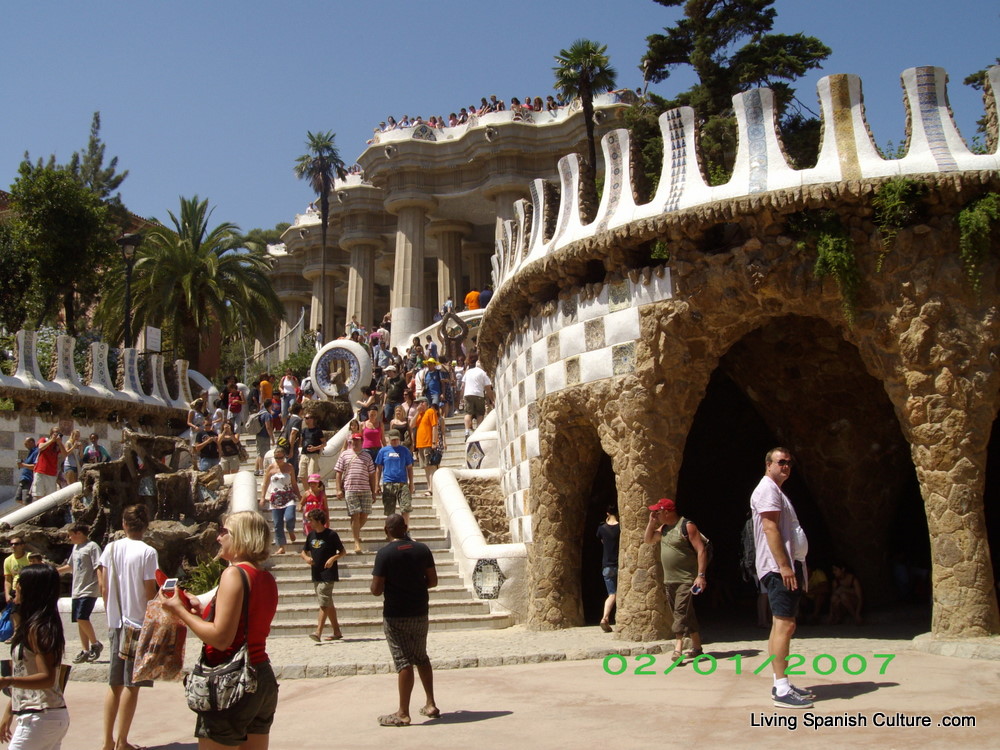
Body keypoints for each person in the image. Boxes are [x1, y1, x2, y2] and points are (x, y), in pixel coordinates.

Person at [163, 512, 279, 748]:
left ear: (241, 538)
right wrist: (198, 612)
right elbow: (245, 624)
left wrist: (180, 612)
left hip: (231, 680)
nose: (219, 537)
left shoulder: (233, 574)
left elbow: (221, 639)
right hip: (261, 675)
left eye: (224, 532)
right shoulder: (265, 577)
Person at [751, 447, 815, 709]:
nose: (786, 466)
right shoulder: (767, 489)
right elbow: (769, 527)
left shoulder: (776, 491)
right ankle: (781, 687)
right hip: (779, 568)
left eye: (789, 463)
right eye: (781, 462)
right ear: (768, 464)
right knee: (785, 625)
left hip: (784, 566)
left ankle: (782, 682)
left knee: (782, 624)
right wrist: (785, 566)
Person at [97, 504, 158, 750]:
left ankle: (107, 742)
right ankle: (123, 741)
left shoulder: (109, 549)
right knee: (132, 686)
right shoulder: (148, 552)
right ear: (145, 525)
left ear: (124, 524)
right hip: (138, 624)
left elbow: (103, 587)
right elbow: (149, 591)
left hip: (116, 621)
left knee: (114, 684)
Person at [370, 514, 440, 727]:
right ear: (406, 527)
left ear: (386, 530)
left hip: (395, 614)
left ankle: (403, 712)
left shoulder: (384, 554)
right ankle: (430, 703)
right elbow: (433, 581)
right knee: (421, 656)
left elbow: (376, 589)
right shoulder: (422, 549)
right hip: (419, 611)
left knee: (403, 662)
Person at [0, 564, 69, 749]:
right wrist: (9, 712)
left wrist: (7, 681)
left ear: (31, 588)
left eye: (20, 583)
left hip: (40, 718)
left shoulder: (39, 629)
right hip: (43, 717)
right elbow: (26, 673)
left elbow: (47, 678)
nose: (16, 589)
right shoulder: (35, 624)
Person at [644, 498, 707, 662]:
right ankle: (697, 646)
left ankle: (678, 647)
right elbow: (648, 539)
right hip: (669, 580)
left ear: (667, 512)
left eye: (658, 511)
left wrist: (700, 576)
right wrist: (651, 523)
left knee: (680, 612)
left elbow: (701, 550)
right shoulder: (664, 529)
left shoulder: (686, 526)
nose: (656, 514)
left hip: (686, 579)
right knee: (686, 612)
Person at [56, 523, 104, 664]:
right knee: (79, 620)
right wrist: (55, 571)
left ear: (79, 533)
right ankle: (85, 650)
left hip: (89, 588)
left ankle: (96, 644)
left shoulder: (92, 547)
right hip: (76, 589)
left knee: (82, 617)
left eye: (71, 534)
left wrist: (101, 585)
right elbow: (71, 566)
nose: (69, 537)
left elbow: (98, 566)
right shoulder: (76, 547)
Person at [300, 509, 346, 642]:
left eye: (311, 520)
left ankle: (318, 632)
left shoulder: (331, 535)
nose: (309, 523)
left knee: (323, 601)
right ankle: (337, 631)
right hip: (316, 572)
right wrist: (306, 558)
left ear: (319, 521)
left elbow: (343, 552)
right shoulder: (311, 535)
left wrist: (333, 559)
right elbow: (303, 552)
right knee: (327, 601)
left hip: (328, 573)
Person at [335, 433, 377, 555]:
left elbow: (372, 475)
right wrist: (338, 489)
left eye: (358, 440)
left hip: (365, 489)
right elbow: (338, 473)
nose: (355, 442)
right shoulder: (344, 455)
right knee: (355, 515)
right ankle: (356, 541)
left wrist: (374, 491)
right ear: (350, 441)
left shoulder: (367, 456)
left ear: (362, 441)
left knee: (364, 515)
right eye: (353, 440)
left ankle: (355, 532)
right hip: (350, 489)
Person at [260, 445, 299, 555]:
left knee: (290, 516)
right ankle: (281, 546)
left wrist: (300, 496)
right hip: (276, 498)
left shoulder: (289, 467)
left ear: (284, 456)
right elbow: (265, 484)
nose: (279, 460)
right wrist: (263, 497)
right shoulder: (271, 468)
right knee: (277, 524)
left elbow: (294, 483)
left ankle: (290, 529)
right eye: (277, 458)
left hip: (288, 496)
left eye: (281, 457)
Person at [375, 431, 415, 524]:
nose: (395, 441)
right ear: (389, 439)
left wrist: (411, 483)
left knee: (406, 508)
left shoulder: (405, 450)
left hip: (402, 483)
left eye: (396, 439)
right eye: (393, 439)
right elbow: (379, 469)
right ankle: (390, 533)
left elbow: (409, 468)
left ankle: (405, 531)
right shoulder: (383, 451)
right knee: (389, 511)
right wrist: (376, 484)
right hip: (388, 483)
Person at [596, 506, 620, 633]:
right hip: (618, 564)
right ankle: (605, 618)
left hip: (607, 565)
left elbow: (601, 540)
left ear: (607, 512)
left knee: (612, 594)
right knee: (616, 594)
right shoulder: (620, 528)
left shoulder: (602, 528)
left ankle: (605, 617)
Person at [411, 398, 440, 496]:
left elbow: (434, 426)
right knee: (426, 467)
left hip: (428, 443)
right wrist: (416, 413)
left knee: (431, 467)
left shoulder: (430, 411)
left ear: (424, 403)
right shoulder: (419, 414)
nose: (417, 405)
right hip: (420, 444)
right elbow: (411, 425)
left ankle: (431, 488)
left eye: (419, 403)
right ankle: (429, 487)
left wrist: (434, 442)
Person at [461, 355, 494, 438]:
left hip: (467, 394)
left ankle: (467, 432)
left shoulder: (468, 372)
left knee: (468, 413)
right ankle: (479, 431)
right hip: (479, 394)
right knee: (480, 413)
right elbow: (488, 389)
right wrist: (492, 400)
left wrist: (462, 397)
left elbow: (462, 385)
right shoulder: (482, 373)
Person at [31, 428, 63, 502]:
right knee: (38, 495)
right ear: (51, 434)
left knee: (50, 497)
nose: (57, 434)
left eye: (59, 433)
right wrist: (51, 440)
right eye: (55, 433)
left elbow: (64, 454)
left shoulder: (58, 445)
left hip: (51, 473)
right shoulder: (44, 440)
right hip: (40, 471)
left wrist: (59, 443)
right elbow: (40, 447)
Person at [4, 536, 30, 629]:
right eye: (11, 544)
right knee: (14, 609)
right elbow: (7, 580)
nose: (13, 546)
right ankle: (15, 631)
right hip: (15, 589)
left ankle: (19, 633)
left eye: (16, 544)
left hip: (29, 589)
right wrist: (7, 594)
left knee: (19, 609)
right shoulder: (8, 560)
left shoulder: (29, 557)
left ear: (23, 545)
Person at [298, 412, 326, 491]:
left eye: (307, 418)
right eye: (305, 418)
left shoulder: (317, 431)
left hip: (313, 454)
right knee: (302, 475)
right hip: (304, 454)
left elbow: (324, 443)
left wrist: (315, 448)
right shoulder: (304, 430)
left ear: (312, 419)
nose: (306, 420)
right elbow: (301, 441)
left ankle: (315, 490)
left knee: (312, 475)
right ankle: (308, 492)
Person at [15, 438, 37, 505]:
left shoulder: (36, 452)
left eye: (26, 444)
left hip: (29, 480)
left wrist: (23, 465)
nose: (25, 446)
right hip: (23, 479)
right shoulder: (30, 452)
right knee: (18, 498)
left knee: (26, 500)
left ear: (31, 442)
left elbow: (35, 466)